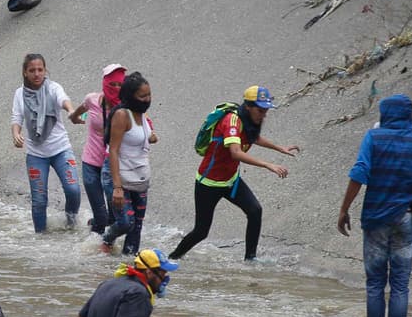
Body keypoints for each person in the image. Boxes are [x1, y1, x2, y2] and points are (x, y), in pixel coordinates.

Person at [337, 94, 412, 317]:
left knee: (375, 284)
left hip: (375, 219)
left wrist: (344, 209)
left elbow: (359, 172)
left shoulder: (373, 137)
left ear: (385, 114)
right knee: (400, 284)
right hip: (407, 219)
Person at [169, 86, 300, 263]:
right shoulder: (232, 121)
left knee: (255, 211)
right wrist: (267, 164)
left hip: (230, 181)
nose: (263, 115)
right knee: (201, 232)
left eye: (266, 110)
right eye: (260, 110)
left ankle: (250, 260)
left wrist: (280, 148)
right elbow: (236, 152)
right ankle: (172, 258)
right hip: (209, 183)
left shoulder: (249, 121)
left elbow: (253, 137)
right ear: (248, 107)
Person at [11, 53, 81, 232]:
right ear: (25, 73)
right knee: (39, 200)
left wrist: (71, 111)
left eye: (40, 70)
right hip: (36, 154)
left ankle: (71, 224)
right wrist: (16, 134)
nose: (36, 74)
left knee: (73, 190)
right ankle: (40, 239)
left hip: (61, 149)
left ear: (45, 70)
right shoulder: (20, 94)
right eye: (32, 70)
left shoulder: (53, 88)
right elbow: (16, 117)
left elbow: (63, 100)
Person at [101, 72, 158, 255]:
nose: (147, 99)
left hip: (139, 177)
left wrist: (151, 137)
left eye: (149, 95)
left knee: (137, 225)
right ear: (130, 96)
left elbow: (139, 137)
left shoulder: (142, 114)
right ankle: (106, 239)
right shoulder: (122, 115)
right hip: (118, 175)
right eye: (142, 96)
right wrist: (117, 187)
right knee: (126, 222)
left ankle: (128, 264)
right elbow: (114, 150)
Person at [70, 64, 126, 234]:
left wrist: (151, 133)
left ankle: (103, 244)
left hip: (112, 166)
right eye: (112, 85)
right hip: (91, 163)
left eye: (119, 85)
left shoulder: (126, 107)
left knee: (115, 216)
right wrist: (74, 116)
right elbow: (81, 109)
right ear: (104, 84)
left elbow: (143, 119)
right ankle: (93, 255)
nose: (116, 89)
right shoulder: (92, 99)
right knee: (101, 216)